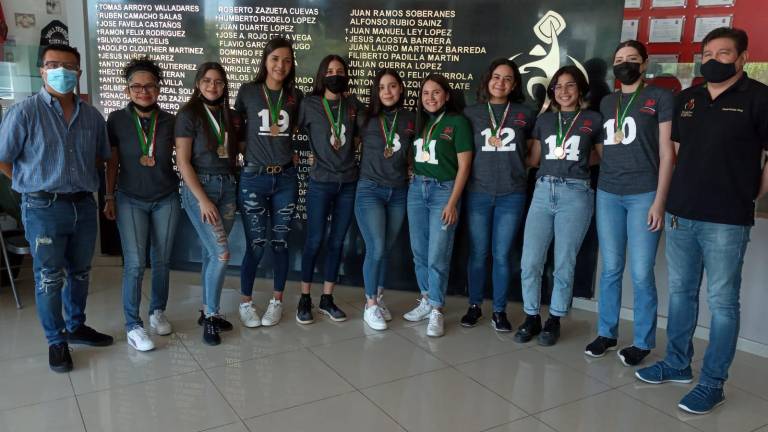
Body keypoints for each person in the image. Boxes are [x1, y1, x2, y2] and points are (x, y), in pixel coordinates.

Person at [636, 27, 768, 415]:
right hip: (682, 214)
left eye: (723, 53)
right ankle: (677, 364)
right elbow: (673, 154)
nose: (713, 60)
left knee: (723, 303)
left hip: (727, 219)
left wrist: (752, 193)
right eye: (707, 53)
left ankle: (713, 383)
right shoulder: (687, 99)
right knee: (681, 294)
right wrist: (665, 202)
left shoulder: (760, 98)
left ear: (742, 58)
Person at [0, 44, 113, 372]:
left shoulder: (92, 116)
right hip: (43, 206)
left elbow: (101, 156)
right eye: (54, 64)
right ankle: (56, 341)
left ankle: (76, 326)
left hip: (83, 204)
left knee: (80, 272)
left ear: (78, 73)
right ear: (42, 69)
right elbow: (5, 159)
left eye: (69, 66)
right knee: (49, 277)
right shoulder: (24, 112)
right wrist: (30, 182)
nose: (62, 71)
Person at [584, 40, 675, 366]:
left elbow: (667, 152)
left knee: (640, 273)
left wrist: (659, 201)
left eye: (632, 59)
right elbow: (603, 145)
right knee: (610, 269)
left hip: (644, 195)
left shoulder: (661, 97)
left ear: (645, 63)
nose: (626, 64)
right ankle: (607, 333)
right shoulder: (608, 102)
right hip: (608, 192)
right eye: (620, 59)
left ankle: (642, 341)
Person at [514, 65, 602, 347]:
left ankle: (554, 318)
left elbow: (599, 157)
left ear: (580, 90)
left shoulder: (593, 119)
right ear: (552, 91)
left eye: (570, 86)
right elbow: (535, 159)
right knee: (530, 260)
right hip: (543, 190)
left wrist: (572, 165)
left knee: (563, 262)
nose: (564, 91)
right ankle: (531, 316)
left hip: (575, 193)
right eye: (558, 87)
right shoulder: (545, 121)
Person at [104, 56, 180, 351]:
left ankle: (157, 311)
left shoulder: (171, 121)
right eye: (136, 86)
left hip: (166, 198)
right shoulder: (116, 120)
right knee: (135, 264)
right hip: (130, 199)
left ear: (158, 89)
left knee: (161, 260)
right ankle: (133, 324)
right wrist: (109, 195)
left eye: (149, 86)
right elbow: (111, 163)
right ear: (127, 91)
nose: (143, 91)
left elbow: (184, 159)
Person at [460, 58, 535, 332]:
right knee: (478, 253)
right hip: (478, 192)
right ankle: (475, 306)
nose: (500, 82)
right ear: (488, 80)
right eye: (496, 77)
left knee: (502, 254)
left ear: (514, 84)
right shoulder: (471, 113)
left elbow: (530, 153)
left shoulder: (525, 113)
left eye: (506, 78)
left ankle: (500, 311)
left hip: (511, 194)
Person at [234, 37, 302, 328]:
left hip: (286, 177)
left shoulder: (295, 96)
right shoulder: (248, 92)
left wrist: (292, 154)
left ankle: (276, 301)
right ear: (265, 60)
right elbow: (235, 130)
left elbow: (296, 128)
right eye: (275, 59)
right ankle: (246, 302)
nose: (281, 65)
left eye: (287, 60)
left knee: (280, 242)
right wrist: (244, 153)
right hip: (254, 178)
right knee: (256, 244)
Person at [175, 62, 241, 346]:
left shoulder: (231, 115)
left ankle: (206, 311)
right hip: (201, 187)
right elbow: (183, 160)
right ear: (198, 83)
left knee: (211, 253)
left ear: (225, 86)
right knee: (222, 254)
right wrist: (202, 199)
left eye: (218, 82)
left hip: (228, 186)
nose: (213, 87)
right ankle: (212, 315)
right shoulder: (189, 113)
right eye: (207, 81)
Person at [402, 73, 473, 337]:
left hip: (444, 190)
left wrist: (453, 202)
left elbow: (464, 166)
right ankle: (425, 298)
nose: (430, 98)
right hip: (417, 189)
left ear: (446, 95)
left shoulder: (457, 123)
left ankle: (437, 309)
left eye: (435, 93)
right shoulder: (419, 122)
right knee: (419, 250)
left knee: (437, 254)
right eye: (425, 94)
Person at [296, 55, 361, 324]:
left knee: (337, 241)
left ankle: (327, 298)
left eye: (340, 71)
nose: (335, 75)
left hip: (348, 182)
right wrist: (298, 155)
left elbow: (363, 133)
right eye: (330, 71)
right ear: (322, 75)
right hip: (320, 182)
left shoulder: (353, 104)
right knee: (314, 240)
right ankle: (305, 297)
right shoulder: (309, 104)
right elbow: (289, 131)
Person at [355, 68, 415, 331]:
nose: (387, 92)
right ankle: (369, 305)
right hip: (370, 190)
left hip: (399, 191)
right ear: (375, 92)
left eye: (392, 86)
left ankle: (378, 298)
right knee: (376, 247)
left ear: (400, 89)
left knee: (386, 249)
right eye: (381, 87)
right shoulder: (365, 118)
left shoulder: (412, 118)